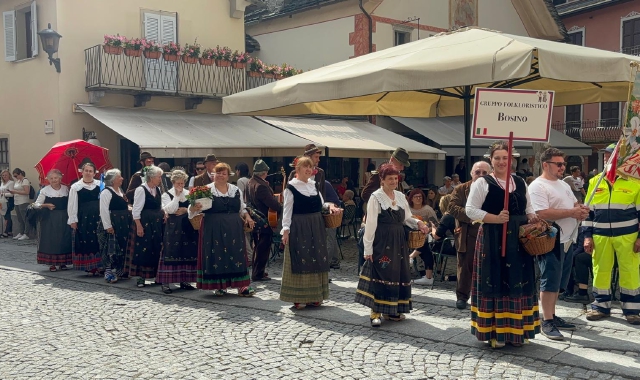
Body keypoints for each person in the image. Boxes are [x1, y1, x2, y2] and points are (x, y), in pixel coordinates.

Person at [466, 140, 540, 348]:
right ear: (491, 160)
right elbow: (470, 210)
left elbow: (529, 208)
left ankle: (517, 331)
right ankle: (495, 332)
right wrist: (495, 218)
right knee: (495, 280)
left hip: (518, 239)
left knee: (519, 281)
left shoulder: (521, 182)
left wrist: (533, 217)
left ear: (511, 161)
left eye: (505, 158)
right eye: (497, 158)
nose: (501, 162)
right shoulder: (483, 183)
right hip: (493, 237)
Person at [356, 163, 428, 327]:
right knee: (381, 273)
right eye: (390, 179)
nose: (394, 181)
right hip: (382, 240)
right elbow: (371, 224)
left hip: (399, 240)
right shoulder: (376, 197)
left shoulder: (400, 196)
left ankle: (392, 310)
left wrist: (419, 224)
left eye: (396, 178)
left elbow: (407, 218)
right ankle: (375, 311)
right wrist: (368, 248)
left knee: (397, 273)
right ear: (382, 180)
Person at [528, 148, 589, 340]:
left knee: (559, 280)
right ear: (546, 165)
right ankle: (546, 321)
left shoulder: (563, 185)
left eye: (564, 164)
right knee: (550, 280)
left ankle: (552, 315)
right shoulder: (538, 186)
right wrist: (572, 213)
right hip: (550, 239)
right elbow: (541, 213)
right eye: (559, 164)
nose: (563, 167)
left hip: (568, 239)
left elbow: (571, 206)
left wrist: (580, 209)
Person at [583, 143, 640, 325]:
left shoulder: (635, 182)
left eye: (612, 156)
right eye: (607, 156)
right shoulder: (594, 181)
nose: (609, 159)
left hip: (628, 235)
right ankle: (600, 306)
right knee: (600, 271)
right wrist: (587, 235)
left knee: (629, 271)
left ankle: (632, 310)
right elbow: (588, 212)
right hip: (600, 235)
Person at [281, 156, 340, 309]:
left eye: (310, 167)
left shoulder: (314, 186)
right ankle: (299, 297)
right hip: (299, 226)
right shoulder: (291, 188)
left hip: (317, 226)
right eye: (305, 167)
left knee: (316, 258)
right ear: (297, 169)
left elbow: (321, 205)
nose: (309, 170)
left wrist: (331, 207)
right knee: (301, 258)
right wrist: (286, 230)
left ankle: (315, 296)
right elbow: (287, 211)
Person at [189, 162, 255, 296]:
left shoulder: (235, 190)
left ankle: (241, 285)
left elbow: (241, 207)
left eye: (223, 173)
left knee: (237, 254)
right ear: (213, 175)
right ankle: (220, 285)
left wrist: (247, 217)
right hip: (213, 227)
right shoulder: (206, 190)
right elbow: (193, 211)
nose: (220, 176)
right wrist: (193, 208)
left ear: (228, 175)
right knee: (217, 254)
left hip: (234, 228)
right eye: (218, 173)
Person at [449, 160, 492, 309]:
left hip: (489, 232)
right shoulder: (461, 189)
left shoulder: (494, 188)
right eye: (477, 172)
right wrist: (474, 215)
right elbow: (452, 208)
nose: (481, 175)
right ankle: (462, 296)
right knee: (465, 267)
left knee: (488, 266)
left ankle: (484, 296)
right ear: (471, 173)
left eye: (484, 173)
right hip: (468, 233)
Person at [157, 170, 198, 294]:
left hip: (186, 226)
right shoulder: (166, 195)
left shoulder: (188, 193)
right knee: (170, 252)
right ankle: (166, 283)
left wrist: (186, 209)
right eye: (178, 183)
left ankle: (184, 280)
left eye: (182, 183)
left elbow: (194, 209)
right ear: (173, 182)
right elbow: (169, 209)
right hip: (173, 228)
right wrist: (176, 196)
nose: (180, 185)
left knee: (186, 252)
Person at [246, 159, 282, 282]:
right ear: (264, 172)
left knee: (257, 246)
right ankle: (258, 274)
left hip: (255, 218)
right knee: (263, 247)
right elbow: (272, 203)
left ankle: (258, 272)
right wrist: (281, 206)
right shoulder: (261, 186)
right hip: (263, 219)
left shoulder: (250, 182)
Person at [131, 165, 165, 287]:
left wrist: (164, 213)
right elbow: (136, 210)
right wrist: (139, 226)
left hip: (157, 223)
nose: (160, 179)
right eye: (159, 176)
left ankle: (156, 275)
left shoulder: (158, 189)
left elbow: (160, 205)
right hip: (145, 222)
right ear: (151, 177)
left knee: (156, 247)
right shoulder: (141, 190)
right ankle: (141, 278)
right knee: (143, 248)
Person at [33, 169, 72, 272]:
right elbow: (36, 204)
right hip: (50, 219)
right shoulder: (45, 190)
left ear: (60, 178)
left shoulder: (66, 189)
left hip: (64, 217)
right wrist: (46, 205)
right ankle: (52, 264)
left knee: (64, 239)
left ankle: (63, 263)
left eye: (56, 178)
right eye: (51, 178)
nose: (54, 180)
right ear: (48, 180)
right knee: (52, 240)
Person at [68, 162, 102, 274]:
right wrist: (73, 220)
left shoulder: (100, 185)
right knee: (86, 240)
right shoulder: (76, 187)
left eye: (90, 171)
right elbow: (72, 204)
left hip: (98, 216)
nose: (88, 173)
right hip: (84, 218)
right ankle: (90, 266)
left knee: (99, 240)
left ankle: (100, 265)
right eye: (86, 171)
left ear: (94, 173)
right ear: (82, 172)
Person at [99, 169, 132, 283]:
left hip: (123, 223)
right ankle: (108, 271)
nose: (122, 178)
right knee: (111, 248)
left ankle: (119, 269)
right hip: (113, 223)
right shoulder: (106, 192)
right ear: (113, 180)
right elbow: (103, 210)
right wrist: (108, 226)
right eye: (119, 177)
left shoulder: (120, 190)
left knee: (121, 246)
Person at [563, 229, 592, 304]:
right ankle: (567, 289)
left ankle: (582, 292)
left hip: (585, 252)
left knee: (577, 259)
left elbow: (580, 248)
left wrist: (570, 256)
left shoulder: (583, 229)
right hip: (571, 252)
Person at [235, 162, 253, 265]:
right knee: (249, 234)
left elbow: (240, 197)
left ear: (239, 171)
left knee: (244, 234)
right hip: (251, 208)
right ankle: (250, 256)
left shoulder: (241, 181)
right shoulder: (250, 179)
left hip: (244, 208)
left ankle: (249, 257)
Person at [324, 179, 343, 269]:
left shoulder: (323, 184)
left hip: (332, 212)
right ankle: (335, 260)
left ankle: (325, 264)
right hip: (329, 210)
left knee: (329, 238)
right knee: (331, 237)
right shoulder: (325, 183)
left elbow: (333, 202)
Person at [9, 168, 32, 241]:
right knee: (20, 219)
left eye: (16, 176)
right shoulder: (17, 181)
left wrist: (15, 192)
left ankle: (26, 233)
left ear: (20, 174)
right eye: (14, 176)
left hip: (23, 202)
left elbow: (26, 192)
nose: (15, 178)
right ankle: (21, 232)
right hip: (17, 201)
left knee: (25, 218)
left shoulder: (25, 181)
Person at [0, 169, 14, 238]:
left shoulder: (11, 183)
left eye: (6, 175)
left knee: (7, 216)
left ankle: (6, 231)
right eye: (3, 175)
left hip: (8, 201)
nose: (4, 176)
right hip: (2, 201)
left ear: (9, 175)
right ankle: (9, 231)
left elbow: (11, 194)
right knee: (6, 216)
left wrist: (3, 194)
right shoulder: (2, 183)